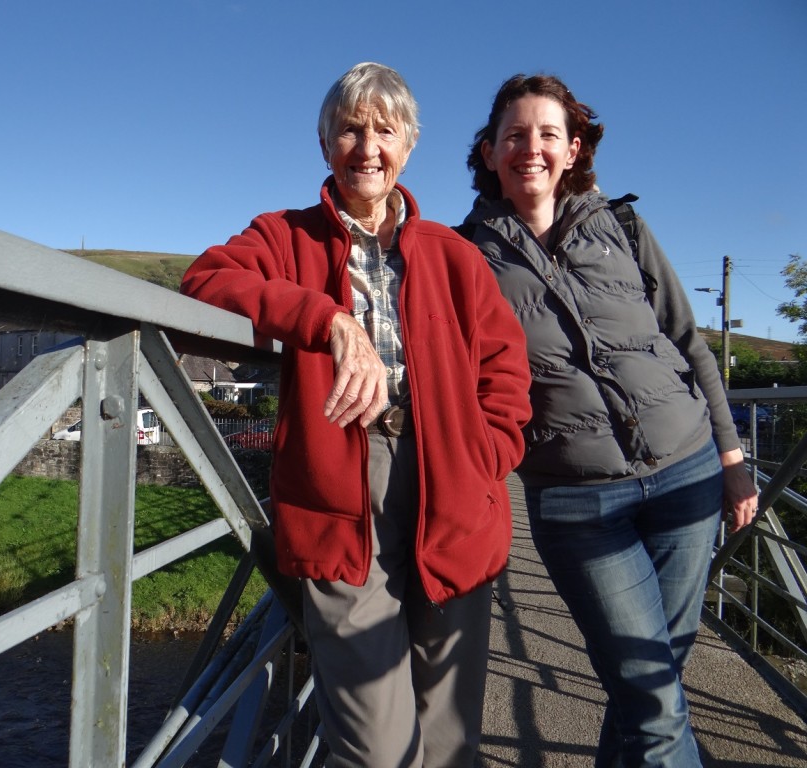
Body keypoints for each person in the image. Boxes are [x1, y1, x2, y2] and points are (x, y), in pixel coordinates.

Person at [181, 62, 532, 767]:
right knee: (374, 749)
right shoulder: (286, 236)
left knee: (451, 743)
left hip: (453, 490)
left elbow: (507, 373)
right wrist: (326, 319)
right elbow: (205, 284)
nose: (367, 146)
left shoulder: (455, 256)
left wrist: (483, 455)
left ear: (409, 145)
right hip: (340, 494)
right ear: (324, 142)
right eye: (349, 128)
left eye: (384, 130)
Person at [455, 73, 760, 767]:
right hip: (577, 500)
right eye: (514, 135)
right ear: (489, 150)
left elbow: (687, 342)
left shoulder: (619, 224)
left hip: (687, 476)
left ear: (573, 148)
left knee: (650, 691)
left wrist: (733, 461)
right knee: (652, 700)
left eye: (547, 134)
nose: (530, 147)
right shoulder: (462, 256)